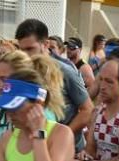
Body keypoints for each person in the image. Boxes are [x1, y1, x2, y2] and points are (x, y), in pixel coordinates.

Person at [15, 20, 94, 153]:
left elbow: (87, 110)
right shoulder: (21, 72)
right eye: (21, 50)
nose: (25, 55)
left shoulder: (66, 71)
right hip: (34, 147)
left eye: (30, 49)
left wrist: (63, 135)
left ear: (45, 44)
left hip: (64, 151)